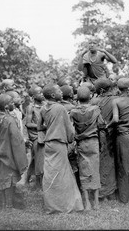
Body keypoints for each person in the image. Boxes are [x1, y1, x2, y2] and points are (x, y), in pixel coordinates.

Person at [37, 83, 84, 214]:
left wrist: (51, 127)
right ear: (53, 95)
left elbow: (39, 127)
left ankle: (51, 204)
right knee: (63, 173)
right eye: (58, 90)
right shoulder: (60, 108)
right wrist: (71, 140)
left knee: (51, 172)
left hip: (48, 144)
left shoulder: (43, 108)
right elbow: (69, 130)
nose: (61, 92)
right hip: (59, 144)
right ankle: (65, 204)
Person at [70, 86, 105, 211]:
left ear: (77, 98)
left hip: (81, 143)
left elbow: (70, 130)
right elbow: (101, 125)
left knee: (83, 170)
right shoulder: (95, 109)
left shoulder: (73, 112)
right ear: (90, 96)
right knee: (95, 169)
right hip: (93, 142)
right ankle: (96, 202)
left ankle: (87, 204)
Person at [0, 94, 28, 209]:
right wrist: (23, 143)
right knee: (9, 179)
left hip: (1, 152)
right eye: (12, 102)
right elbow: (16, 139)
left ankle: (4, 204)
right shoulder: (9, 120)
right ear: (6, 107)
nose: (14, 103)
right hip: (8, 153)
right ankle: (8, 206)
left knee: (4, 179)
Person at [90, 77, 117, 200]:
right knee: (110, 162)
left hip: (97, 134)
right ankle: (110, 191)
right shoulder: (116, 100)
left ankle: (101, 192)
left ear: (100, 90)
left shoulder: (93, 101)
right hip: (112, 134)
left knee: (100, 162)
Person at [25, 86, 46, 189]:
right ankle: (38, 184)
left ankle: (28, 179)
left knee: (40, 159)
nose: (42, 94)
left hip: (44, 134)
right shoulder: (31, 107)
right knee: (38, 160)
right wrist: (40, 127)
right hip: (36, 136)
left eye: (42, 92)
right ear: (33, 96)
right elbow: (28, 124)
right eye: (39, 92)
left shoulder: (45, 105)